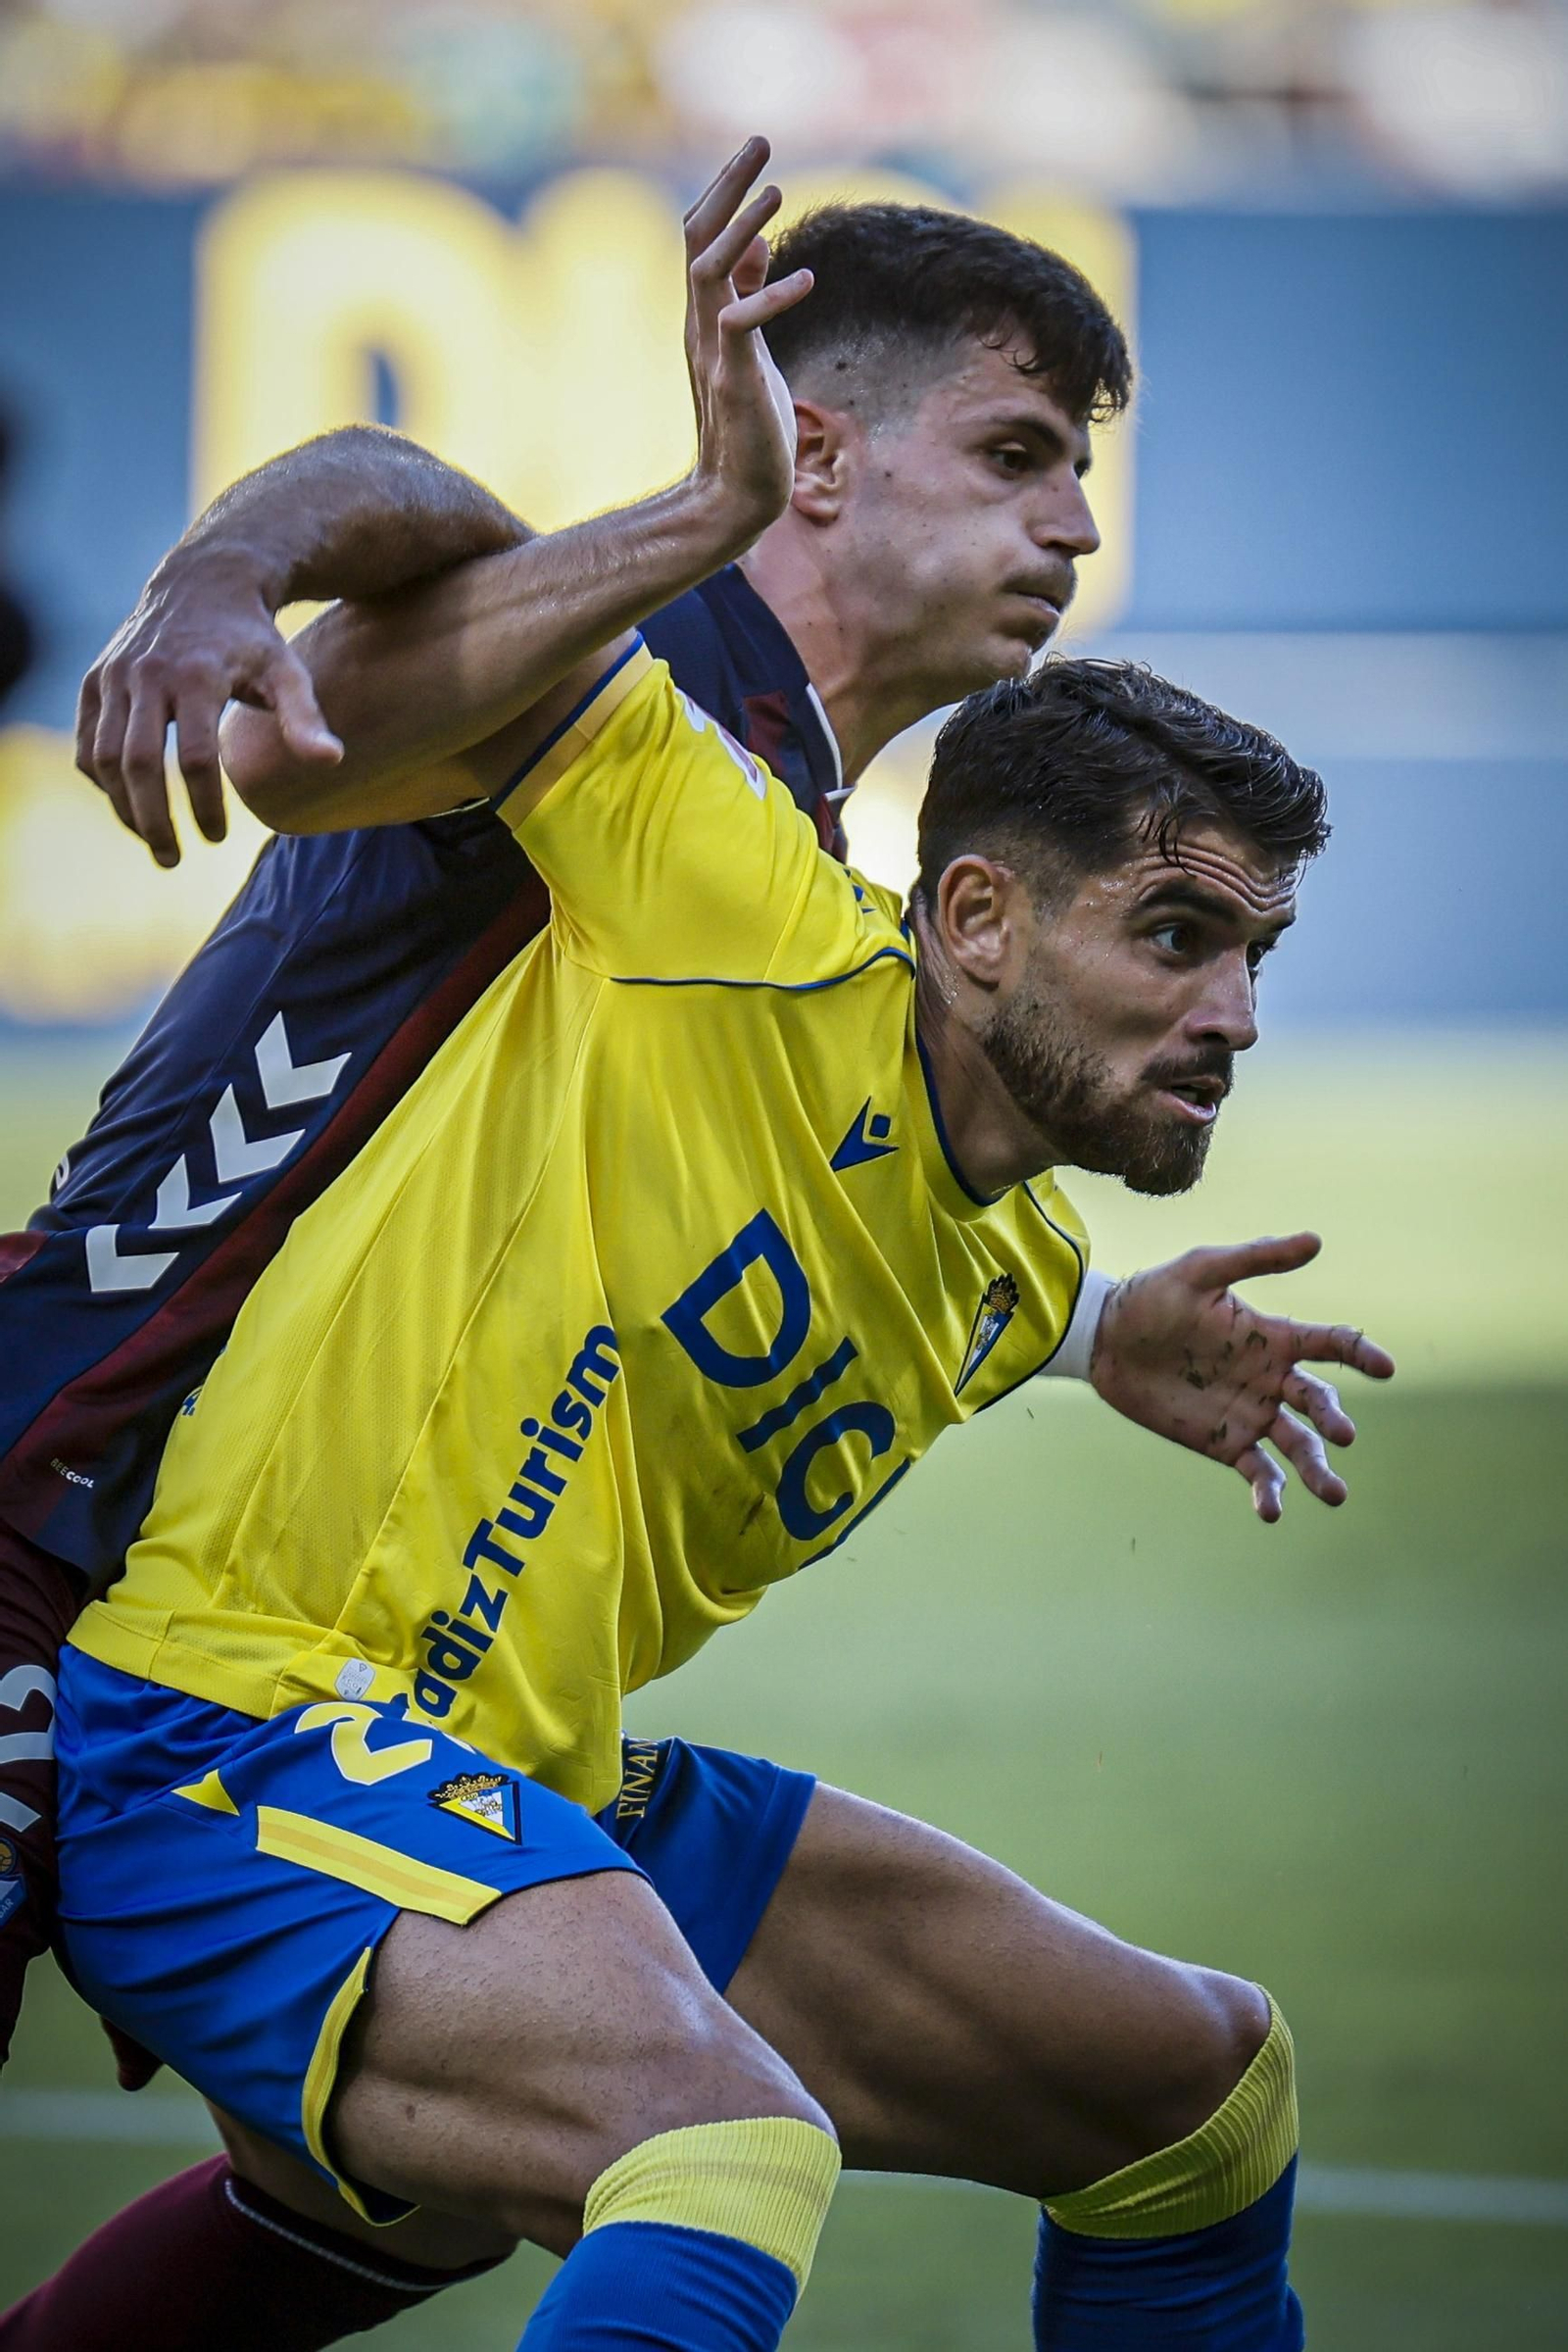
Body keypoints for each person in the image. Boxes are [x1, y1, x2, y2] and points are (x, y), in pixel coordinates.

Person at [35, 144, 1392, 2352]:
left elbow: (884, 1183)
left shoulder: (880, 1017)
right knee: (711, 2139)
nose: (1072, 523)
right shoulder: (685, 772)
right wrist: (217, 585)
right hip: (178, 1628)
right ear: (817, 451)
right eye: (1022, 453)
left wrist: (1102, 1326)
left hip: (474, 1757)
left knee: (1188, 2085)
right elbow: (344, 651)